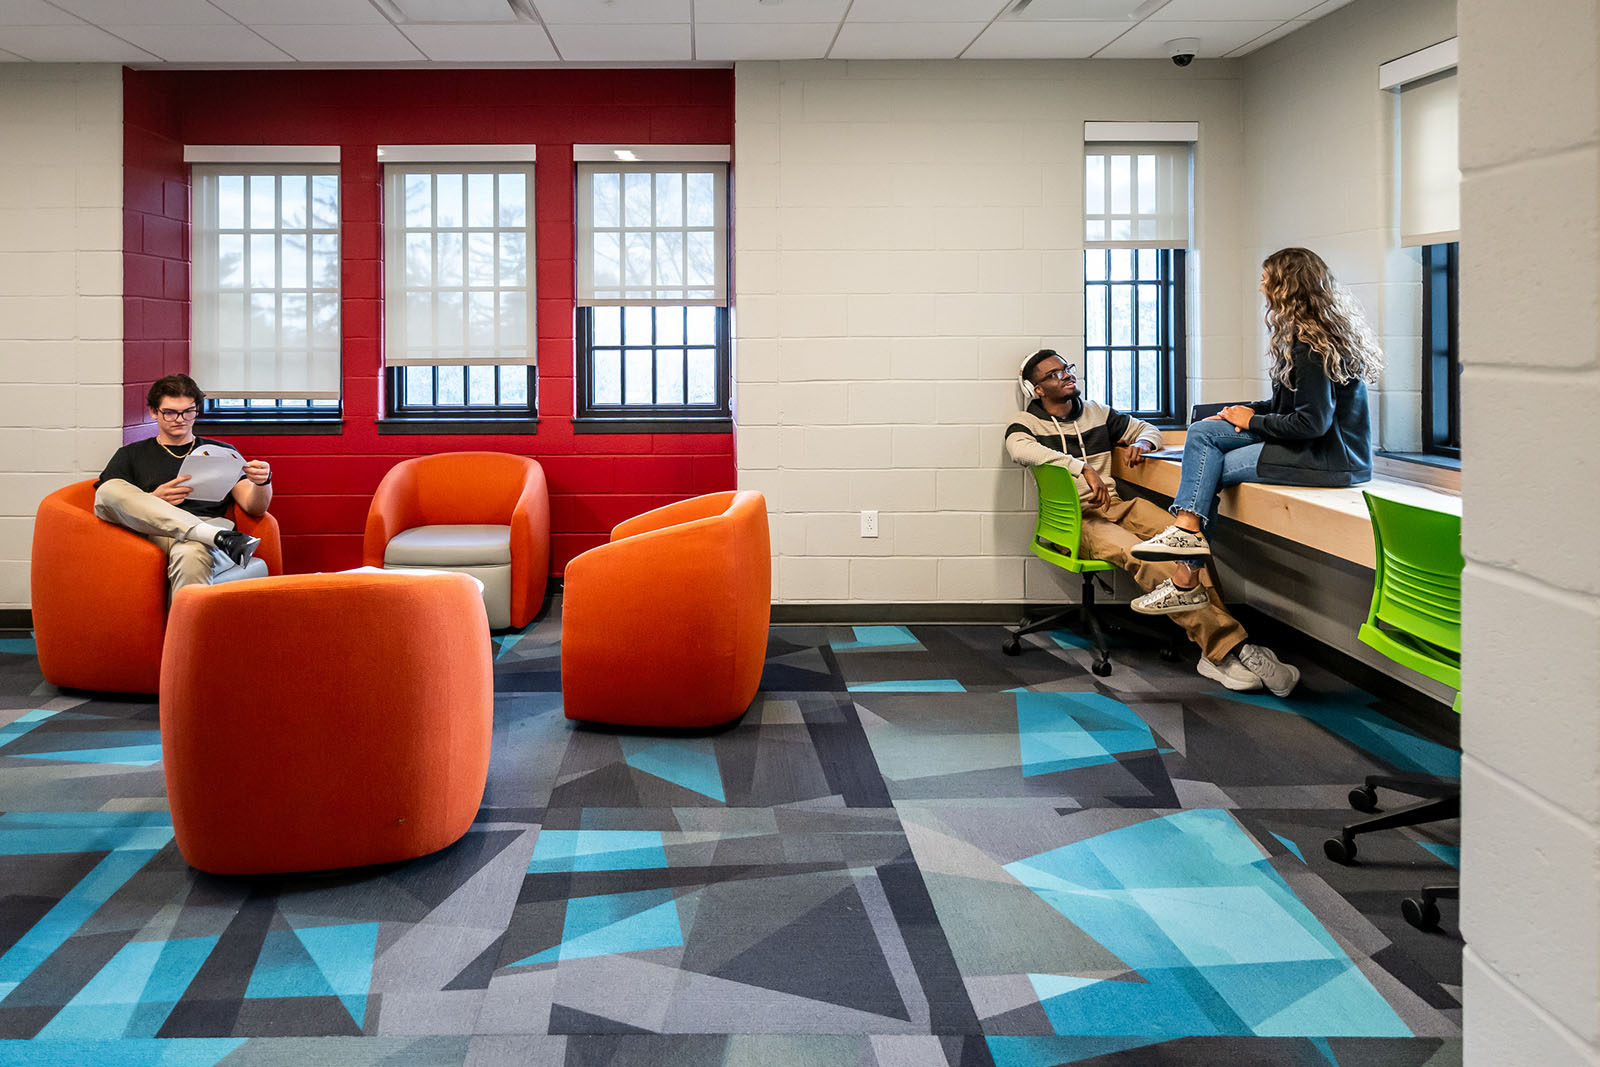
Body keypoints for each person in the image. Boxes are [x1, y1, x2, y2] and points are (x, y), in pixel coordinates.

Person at [1005, 349, 1299, 696]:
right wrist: (1080, 467)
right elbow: (1019, 449)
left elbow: (1147, 429)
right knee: (1144, 557)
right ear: (1036, 389)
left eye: (1067, 368)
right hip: (1077, 521)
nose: (1067, 376)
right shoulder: (1027, 423)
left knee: (1189, 542)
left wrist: (1143, 441)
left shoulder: (1097, 413)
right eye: (1054, 374)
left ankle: (1215, 652)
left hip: (1117, 505)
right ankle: (1232, 650)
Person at [1128, 247, 1382, 649]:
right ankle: (1185, 552)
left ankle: (1184, 563)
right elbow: (1292, 408)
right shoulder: (1307, 333)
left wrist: (1250, 422)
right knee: (1204, 434)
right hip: (1319, 452)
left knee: (1206, 461)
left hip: (1328, 460)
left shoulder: (1310, 344)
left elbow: (1312, 423)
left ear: (1287, 286)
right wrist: (1240, 412)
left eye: (1266, 278)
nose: (1261, 285)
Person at [94, 374, 274, 598]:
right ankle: (211, 535)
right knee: (107, 489)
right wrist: (152, 499)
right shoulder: (130, 454)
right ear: (153, 412)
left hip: (208, 527)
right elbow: (108, 503)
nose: (180, 419)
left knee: (191, 552)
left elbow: (254, 506)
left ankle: (184, 634)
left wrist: (263, 482)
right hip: (154, 532)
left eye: (188, 411)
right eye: (170, 412)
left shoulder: (221, 452)